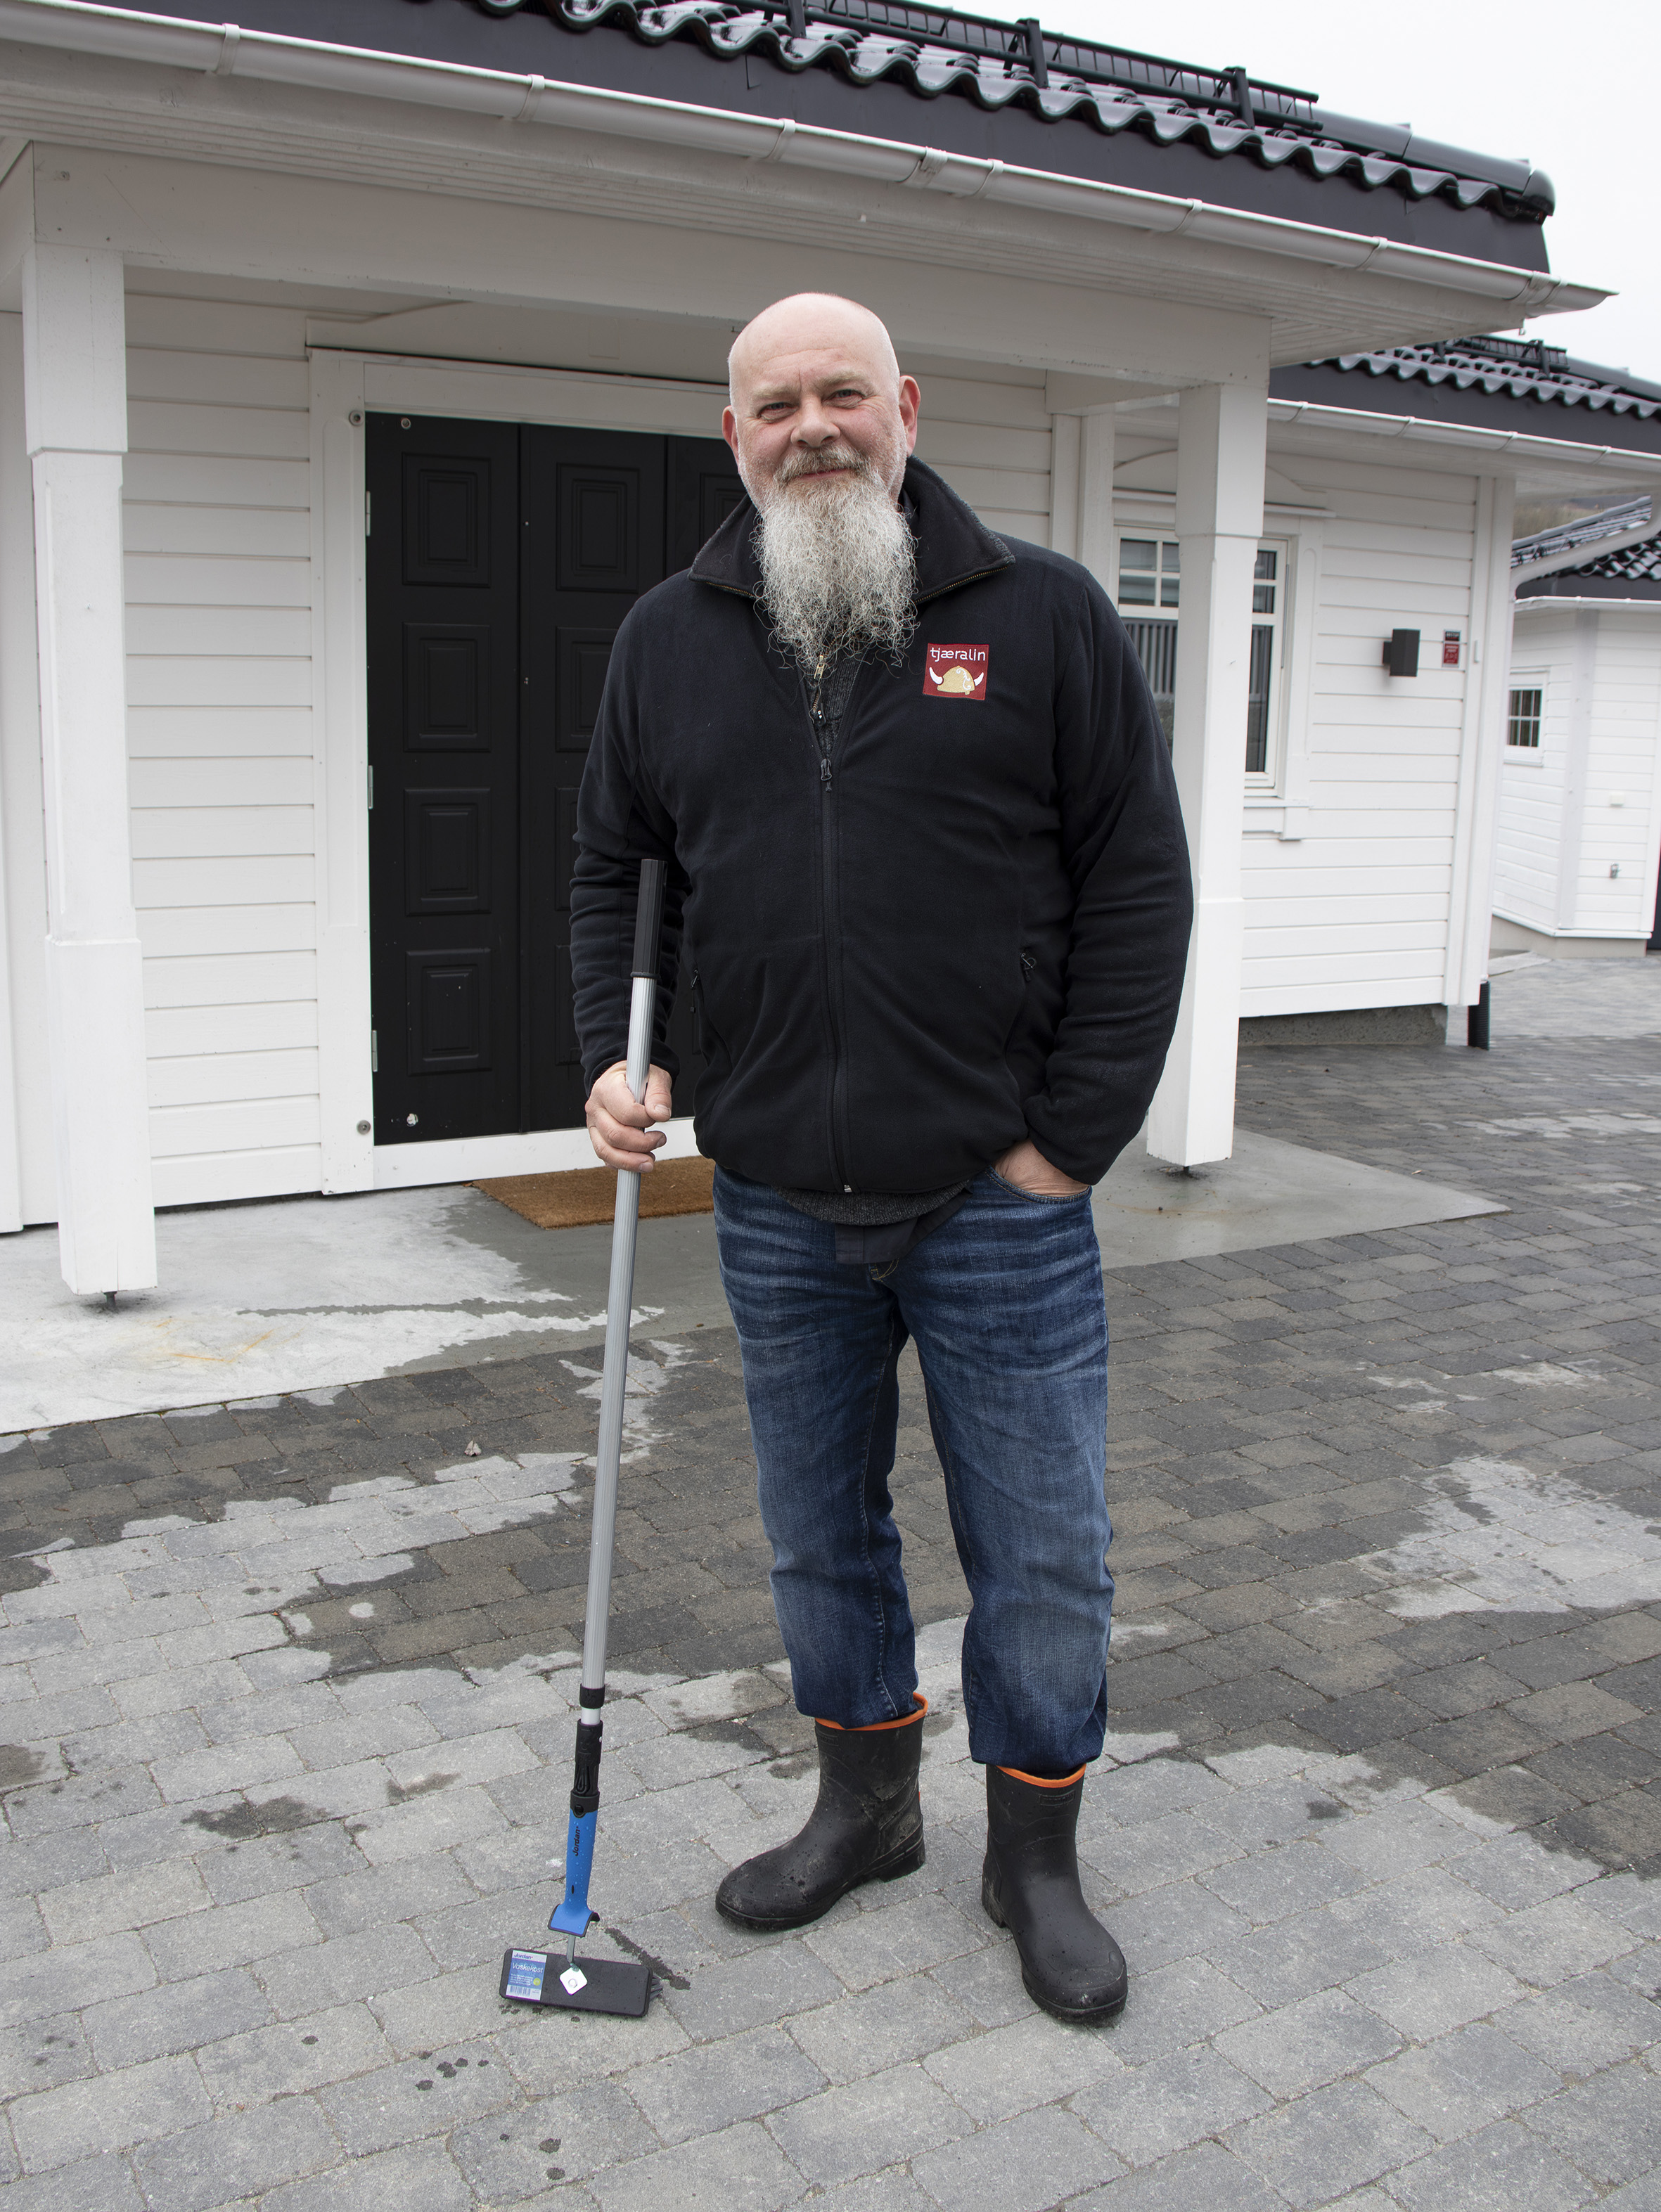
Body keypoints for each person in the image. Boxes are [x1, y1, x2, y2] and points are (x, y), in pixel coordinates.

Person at [571, 293, 1191, 2022]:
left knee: (1042, 1551)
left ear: (904, 405)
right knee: (815, 1538)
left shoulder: (1041, 616)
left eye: (842, 391)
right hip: (775, 1193)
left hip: (997, 1195)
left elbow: (1137, 884)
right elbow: (616, 869)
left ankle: (1033, 1857)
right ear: (734, 437)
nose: (812, 427)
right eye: (775, 405)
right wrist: (619, 1057)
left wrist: (1068, 1142)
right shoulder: (669, 639)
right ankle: (866, 1809)